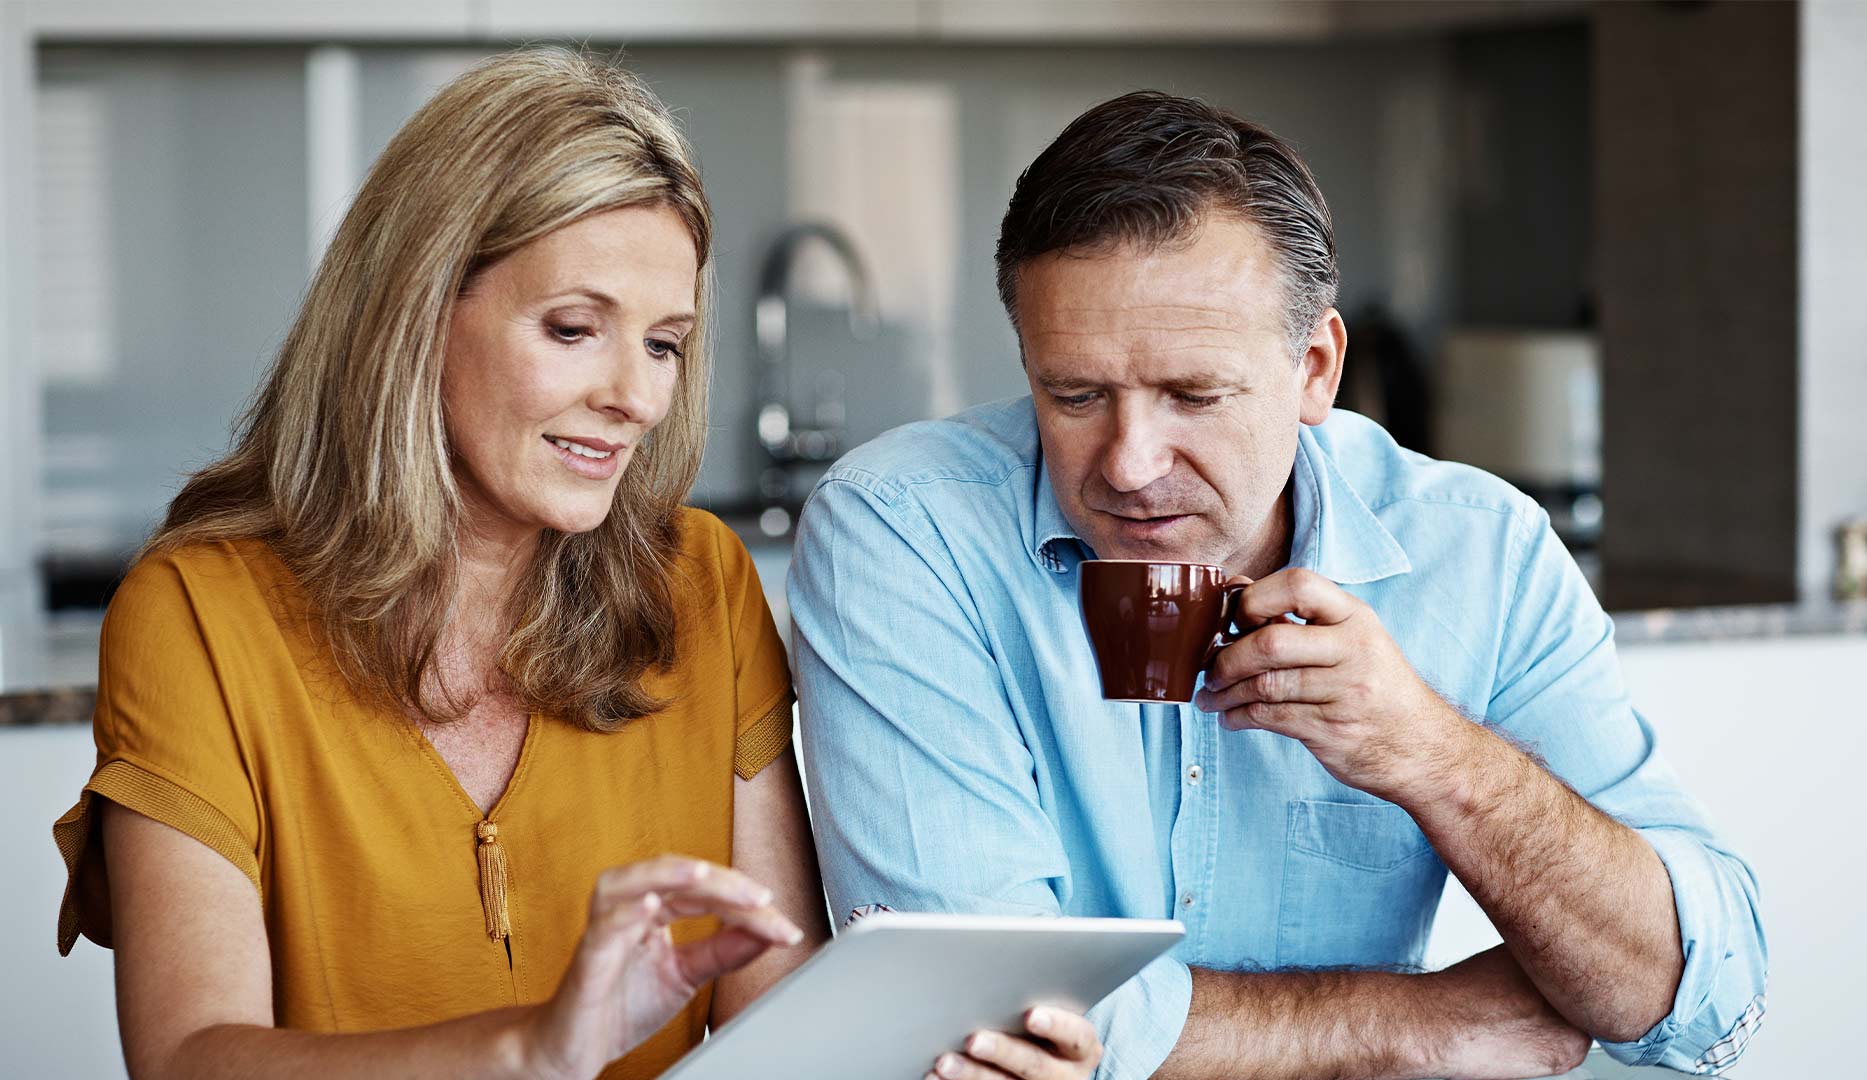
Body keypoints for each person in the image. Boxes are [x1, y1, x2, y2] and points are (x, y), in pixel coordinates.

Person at [52, 49, 1101, 1080]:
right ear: (413, 313)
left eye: (663, 344)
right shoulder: (196, 613)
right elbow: (190, 1056)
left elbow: (773, 1007)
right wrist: (537, 1053)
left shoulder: (700, 584)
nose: (637, 399)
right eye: (573, 329)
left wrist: (940, 1061)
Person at [791, 91, 1768, 1079]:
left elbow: (1697, 997)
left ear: (1315, 368)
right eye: (1074, 395)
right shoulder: (907, 528)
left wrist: (1431, 753)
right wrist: (1412, 1027)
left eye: (1194, 396)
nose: (1128, 463)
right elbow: (961, 1012)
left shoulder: (1482, 552)